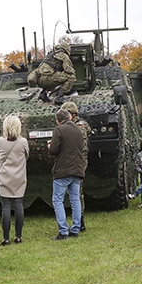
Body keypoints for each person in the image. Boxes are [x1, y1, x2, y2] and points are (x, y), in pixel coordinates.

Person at [48, 108, 84, 239]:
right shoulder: (78, 130)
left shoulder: (59, 130)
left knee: (58, 200)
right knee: (75, 200)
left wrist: (49, 145)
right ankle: (75, 229)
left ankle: (63, 231)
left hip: (63, 171)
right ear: (70, 117)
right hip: (77, 169)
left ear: (58, 121)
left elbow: (53, 150)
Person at [0, 115, 29, 245]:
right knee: (19, 205)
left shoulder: (0, 141)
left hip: (4, 177)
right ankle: (18, 236)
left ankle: (6, 238)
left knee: (6, 207)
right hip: (19, 177)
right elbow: (27, 155)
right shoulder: (23, 142)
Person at [61, 101, 90, 231]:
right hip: (79, 160)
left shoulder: (76, 127)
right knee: (76, 192)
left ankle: (79, 222)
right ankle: (79, 221)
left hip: (76, 161)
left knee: (76, 192)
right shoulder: (83, 125)